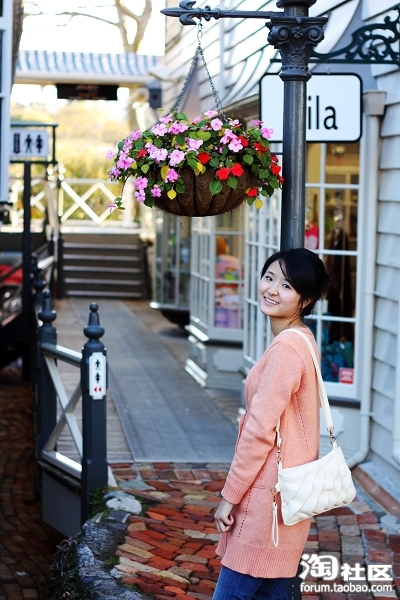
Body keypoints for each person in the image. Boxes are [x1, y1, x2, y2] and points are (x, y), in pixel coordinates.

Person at [213, 247, 331, 600]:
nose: (272, 290)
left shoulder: (285, 351)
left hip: (266, 504)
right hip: (286, 502)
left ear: (305, 300)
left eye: (287, 285)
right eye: (269, 278)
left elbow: (258, 432)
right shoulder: (303, 340)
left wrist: (229, 497)